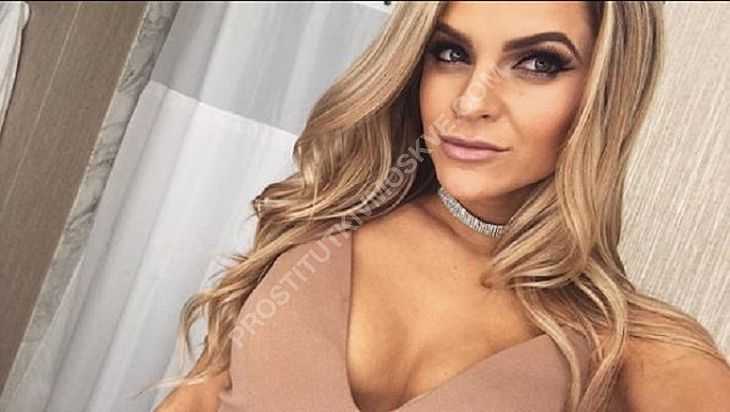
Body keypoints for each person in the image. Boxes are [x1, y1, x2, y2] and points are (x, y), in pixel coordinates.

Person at [152, 2, 730, 411]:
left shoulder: (625, 350)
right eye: (451, 53)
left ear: (607, 91)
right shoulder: (325, 221)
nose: (471, 102)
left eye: (538, 63)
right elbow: (196, 398)